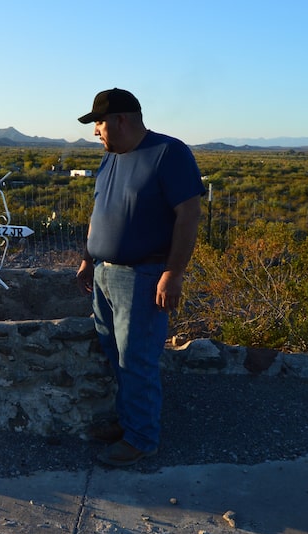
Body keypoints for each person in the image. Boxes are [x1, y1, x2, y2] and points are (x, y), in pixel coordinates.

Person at [76, 88, 205, 467]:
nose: (96, 131)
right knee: (116, 356)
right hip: (104, 274)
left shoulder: (169, 153)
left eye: (99, 122)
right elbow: (100, 212)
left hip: (143, 276)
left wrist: (173, 274)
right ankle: (130, 424)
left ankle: (142, 439)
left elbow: (189, 215)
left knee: (137, 359)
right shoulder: (111, 159)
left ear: (121, 120)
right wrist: (88, 259)